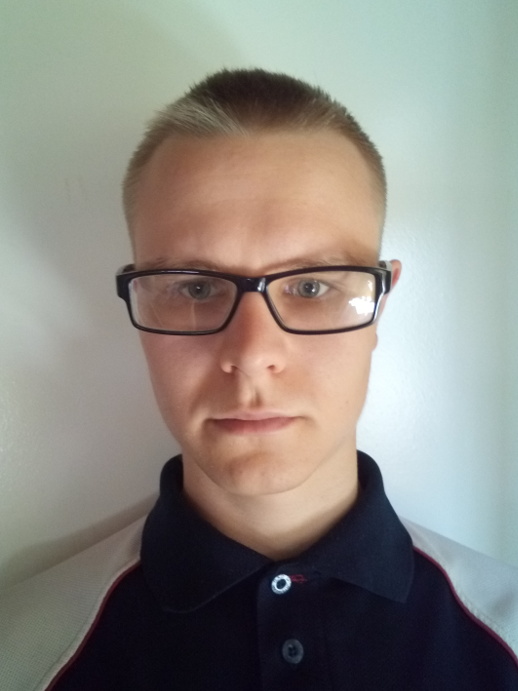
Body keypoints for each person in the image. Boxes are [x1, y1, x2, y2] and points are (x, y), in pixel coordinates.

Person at [2, 69, 518, 690]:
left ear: (380, 304)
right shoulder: (22, 653)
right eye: (195, 288)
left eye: (311, 286)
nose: (251, 355)